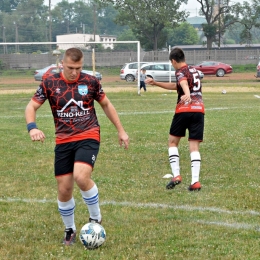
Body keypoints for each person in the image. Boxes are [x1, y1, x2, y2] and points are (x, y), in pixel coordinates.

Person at [25, 47, 129, 245]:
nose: (74, 72)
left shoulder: (90, 82)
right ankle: (69, 230)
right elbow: (31, 106)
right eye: (71, 67)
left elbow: (106, 104)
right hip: (63, 139)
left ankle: (95, 218)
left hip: (88, 134)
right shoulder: (49, 82)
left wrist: (121, 130)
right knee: (64, 189)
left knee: (81, 176)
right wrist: (32, 128)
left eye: (78, 68)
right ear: (62, 64)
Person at [145, 47, 204, 191]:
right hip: (199, 110)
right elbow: (176, 85)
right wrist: (156, 82)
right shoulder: (194, 70)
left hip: (184, 109)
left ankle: (176, 175)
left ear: (173, 61)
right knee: (194, 146)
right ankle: (195, 181)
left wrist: (187, 94)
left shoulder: (180, 71)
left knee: (172, 142)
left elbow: (183, 82)